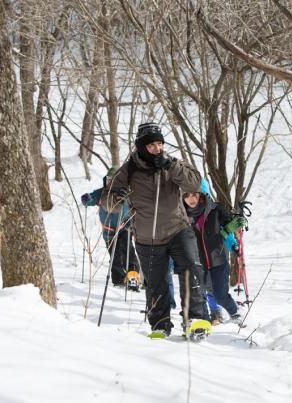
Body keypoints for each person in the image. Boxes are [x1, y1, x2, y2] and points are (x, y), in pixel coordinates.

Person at [102, 122, 209, 337]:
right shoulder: (129, 170)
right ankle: (160, 325)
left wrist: (171, 166)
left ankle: (195, 319)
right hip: (146, 236)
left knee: (190, 268)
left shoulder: (171, 163)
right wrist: (117, 197)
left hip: (178, 229)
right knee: (155, 284)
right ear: (141, 147)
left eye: (160, 144)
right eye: (151, 145)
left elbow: (194, 183)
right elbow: (108, 200)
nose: (157, 149)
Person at [182, 180, 245, 326]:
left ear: (203, 195)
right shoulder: (184, 215)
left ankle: (235, 312)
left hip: (218, 259)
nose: (192, 199)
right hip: (199, 261)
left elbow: (227, 228)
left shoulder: (216, 210)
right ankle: (215, 314)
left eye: (195, 195)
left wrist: (234, 244)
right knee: (207, 289)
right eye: (187, 195)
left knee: (220, 294)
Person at [81, 167, 141, 290]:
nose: (111, 182)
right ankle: (118, 279)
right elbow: (90, 199)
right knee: (115, 254)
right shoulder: (102, 193)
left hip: (124, 227)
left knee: (128, 251)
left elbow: (136, 206)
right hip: (108, 230)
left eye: (115, 180)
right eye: (109, 179)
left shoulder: (126, 192)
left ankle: (133, 278)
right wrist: (86, 198)